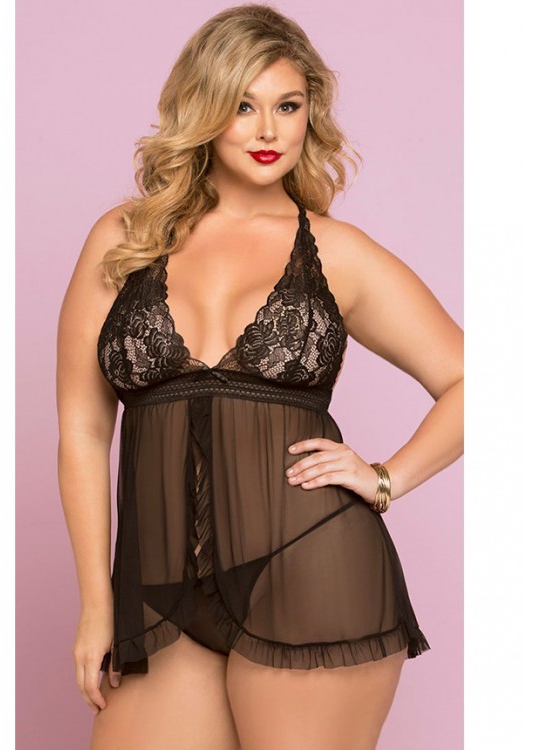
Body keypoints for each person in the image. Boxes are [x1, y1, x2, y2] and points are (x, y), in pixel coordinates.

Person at [56, 4, 463, 749]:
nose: (267, 130)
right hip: (160, 593)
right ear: (202, 109)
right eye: (242, 106)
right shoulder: (124, 241)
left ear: (312, 114)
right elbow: (83, 430)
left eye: (288, 106)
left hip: (312, 570)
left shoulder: (336, 253)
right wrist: (95, 604)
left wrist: (385, 478)